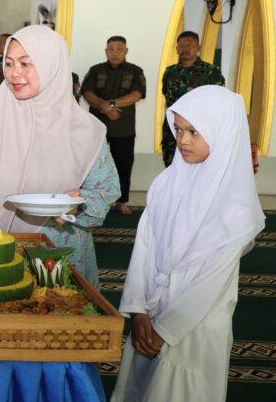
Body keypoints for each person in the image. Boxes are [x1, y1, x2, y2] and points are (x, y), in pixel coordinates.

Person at [111, 86, 264, 402]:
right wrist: (138, 310)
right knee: (140, 389)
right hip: (151, 313)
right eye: (178, 129)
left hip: (194, 328)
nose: (182, 140)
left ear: (222, 131)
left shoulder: (236, 207)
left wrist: (165, 329)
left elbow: (210, 282)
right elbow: (144, 249)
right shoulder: (166, 184)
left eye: (194, 131)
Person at [0, 25, 119, 287]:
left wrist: (77, 204)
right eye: (10, 63)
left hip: (57, 253)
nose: (14, 73)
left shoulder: (84, 130)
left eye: (26, 64)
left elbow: (105, 191)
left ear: (52, 65)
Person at [82, 36, 146, 215]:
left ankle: (121, 201)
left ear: (126, 51)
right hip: (97, 127)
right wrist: (102, 107)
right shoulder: (95, 70)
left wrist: (109, 105)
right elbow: (87, 92)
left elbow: (137, 94)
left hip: (123, 128)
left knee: (123, 165)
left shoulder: (135, 71)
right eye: (111, 48)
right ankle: (90, 199)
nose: (115, 52)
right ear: (106, 51)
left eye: (119, 48)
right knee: (92, 165)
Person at [161, 31, 224, 166]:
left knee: (199, 171)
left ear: (198, 48)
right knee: (172, 169)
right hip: (172, 131)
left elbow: (218, 100)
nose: (185, 49)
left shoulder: (211, 71)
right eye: (181, 46)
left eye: (189, 45)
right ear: (177, 49)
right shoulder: (170, 72)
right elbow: (166, 95)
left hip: (199, 131)